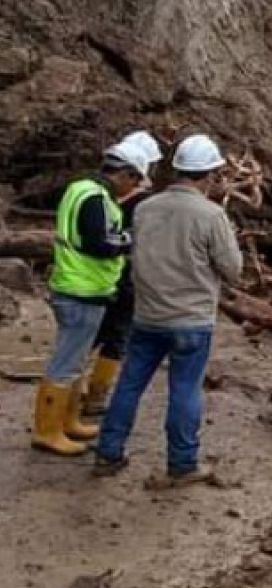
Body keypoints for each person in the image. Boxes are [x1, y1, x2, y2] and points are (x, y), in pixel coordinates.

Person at [95, 134, 243, 484]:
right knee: (185, 390)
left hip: (147, 315)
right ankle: (181, 464)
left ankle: (108, 453)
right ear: (207, 175)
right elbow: (233, 270)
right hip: (192, 319)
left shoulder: (146, 207)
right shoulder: (212, 215)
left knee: (129, 385)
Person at [33, 144, 148, 456]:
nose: (134, 189)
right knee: (66, 363)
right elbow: (100, 243)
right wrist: (130, 240)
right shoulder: (96, 199)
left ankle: (67, 421)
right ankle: (47, 430)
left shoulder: (80, 189)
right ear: (125, 174)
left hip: (79, 286)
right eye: (134, 181)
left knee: (75, 361)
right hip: (81, 289)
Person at [82, 131, 165, 417]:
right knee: (116, 337)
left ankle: (76, 388)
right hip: (124, 277)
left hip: (98, 278)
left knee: (91, 336)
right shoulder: (141, 202)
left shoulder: (102, 196)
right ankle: (96, 396)